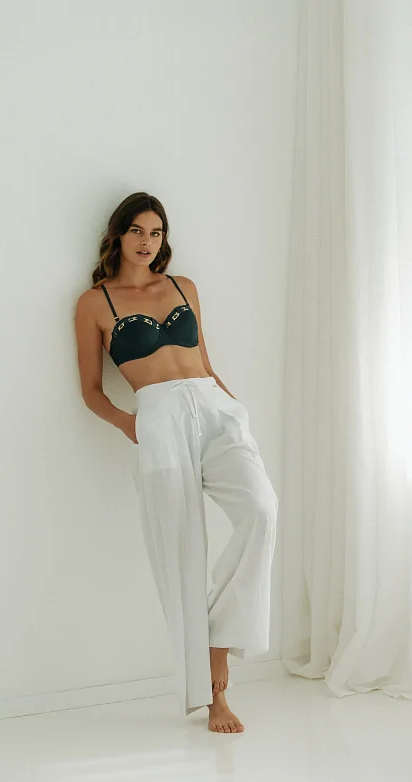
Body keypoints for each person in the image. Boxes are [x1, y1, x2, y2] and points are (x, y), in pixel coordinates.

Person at [74, 192, 278, 734]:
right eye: (137, 231)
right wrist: (131, 425)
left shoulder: (183, 287)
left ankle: (218, 640)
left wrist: (235, 412)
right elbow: (91, 390)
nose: (147, 242)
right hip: (158, 419)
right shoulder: (95, 302)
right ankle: (215, 697)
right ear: (118, 235)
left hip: (214, 407)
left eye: (156, 232)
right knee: (182, 553)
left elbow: (205, 361)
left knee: (262, 510)